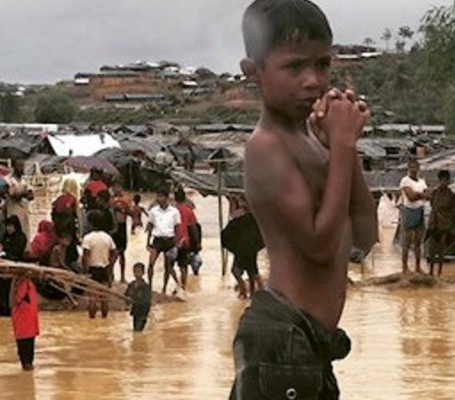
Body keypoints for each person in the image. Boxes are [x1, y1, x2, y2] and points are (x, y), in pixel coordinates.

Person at [229, 1, 378, 399]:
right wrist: (342, 147)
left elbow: (364, 235)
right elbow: (320, 246)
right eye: (294, 67)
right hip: (283, 338)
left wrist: (343, 149)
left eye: (323, 65)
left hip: (309, 345)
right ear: (254, 72)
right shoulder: (266, 146)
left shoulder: (314, 140)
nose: (313, 80)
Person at [82, 210, 117, 318]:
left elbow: (86, 257)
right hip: (105, 269)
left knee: (92, 298)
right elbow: (114, 253)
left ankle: (92, 321)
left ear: (91, 223)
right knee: (104, 298)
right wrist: (110, 265)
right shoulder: (107, 237)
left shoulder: (88, 238)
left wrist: (85, 271)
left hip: (93, 269)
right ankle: (104, 319)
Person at [146, 190, 181, 293]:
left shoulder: (174, 211)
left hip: (169, 240)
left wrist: (177, 242)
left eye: (161, 196)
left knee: (168, 266)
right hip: (157, 240)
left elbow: (177, 228)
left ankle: (164, 288)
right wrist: (147, 241)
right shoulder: (153, 211)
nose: (158, 199)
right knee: (151, 263)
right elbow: (150, 226)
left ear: (166, 198)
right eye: (158, 196)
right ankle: (150, 285)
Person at [399, 159, 429, 274]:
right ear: (408, 168)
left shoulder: (422, 181)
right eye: (411, 167)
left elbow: (429, 195)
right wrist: (421, 195)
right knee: (407, 241)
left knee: (418, 241)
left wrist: (418, 195)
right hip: (409, 211)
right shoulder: (405, 181)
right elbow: (410, 197)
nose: (414, 170)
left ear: (418, 168)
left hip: (420, 210)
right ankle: (405, 267)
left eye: (415, 167)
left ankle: (417, 267)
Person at [427, 170, 455, 277]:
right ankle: (430, 272)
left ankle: (439, 272)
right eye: (441, 180)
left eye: (445, 180)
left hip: (444, 225)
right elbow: (432, 205)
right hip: (433, 223)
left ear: (448, 181)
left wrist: (448, 224)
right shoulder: (435, 193)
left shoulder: (451, 195)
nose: (443, 182)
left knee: (441, 249)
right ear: (439, 180)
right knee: (431, 249)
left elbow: (453, 211)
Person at [0, 216, 27, 317]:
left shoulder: (21, 237)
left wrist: (5, 249)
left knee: (11, 289)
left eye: (10, 226)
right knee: (1, 288)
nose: (8, 229)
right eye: (7, 226)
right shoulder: (5, 237)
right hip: (2, 266)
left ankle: (11, 309)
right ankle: (2, 309)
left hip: (14, 266)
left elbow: (18, 252)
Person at [10, 271, 39, 372]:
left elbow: (14, 301)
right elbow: (15, 300)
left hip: (26, 319)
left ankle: (27, 365)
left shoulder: (24, 283)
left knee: (25, 343)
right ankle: (27, 364)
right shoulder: (24, 284)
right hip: (25, 319)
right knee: (27, 344)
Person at [173, 189, 199, 290]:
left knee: (169, 265)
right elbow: (194, 228)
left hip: (172, 240)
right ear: (184, 198)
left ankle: (172, 284)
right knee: (183, 266)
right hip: (185, 241)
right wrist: (197, 242)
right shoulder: (189, 211)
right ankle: (183, 286)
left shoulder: (171, 210)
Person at [109, 184, 132, 283]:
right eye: (115, 187)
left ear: (121, 188)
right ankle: (111, 274)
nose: (116, 189)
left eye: (118, 187)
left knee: (122, 252)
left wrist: (124, 209)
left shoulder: (126, 199)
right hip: (113, 227)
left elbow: (131, 212)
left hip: (122, 226)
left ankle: (122, 276)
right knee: (111, 252)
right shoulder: (110, 199)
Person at [6, 161, 34, 238]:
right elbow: (13, 195)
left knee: (25, 232)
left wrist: (21, 193)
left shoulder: (25, 180)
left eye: (23, 166)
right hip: (13, 211)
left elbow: (31, 196)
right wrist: (24, 193)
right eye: (19, 166)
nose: (22, 168)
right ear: (14, 167)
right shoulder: (8, 180)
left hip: (24, 210)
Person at [124, 263, 152, 332]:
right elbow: (126, 296)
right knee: (135, 329)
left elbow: (147, 301)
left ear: (143, 273)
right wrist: (127, 302)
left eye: (138, 272)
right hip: (135, 311)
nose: (137, 274)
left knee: (138, 330)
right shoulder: (131, 285)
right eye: (135, 272)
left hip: (142, 312)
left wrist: (134, 300)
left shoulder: (145, 286)